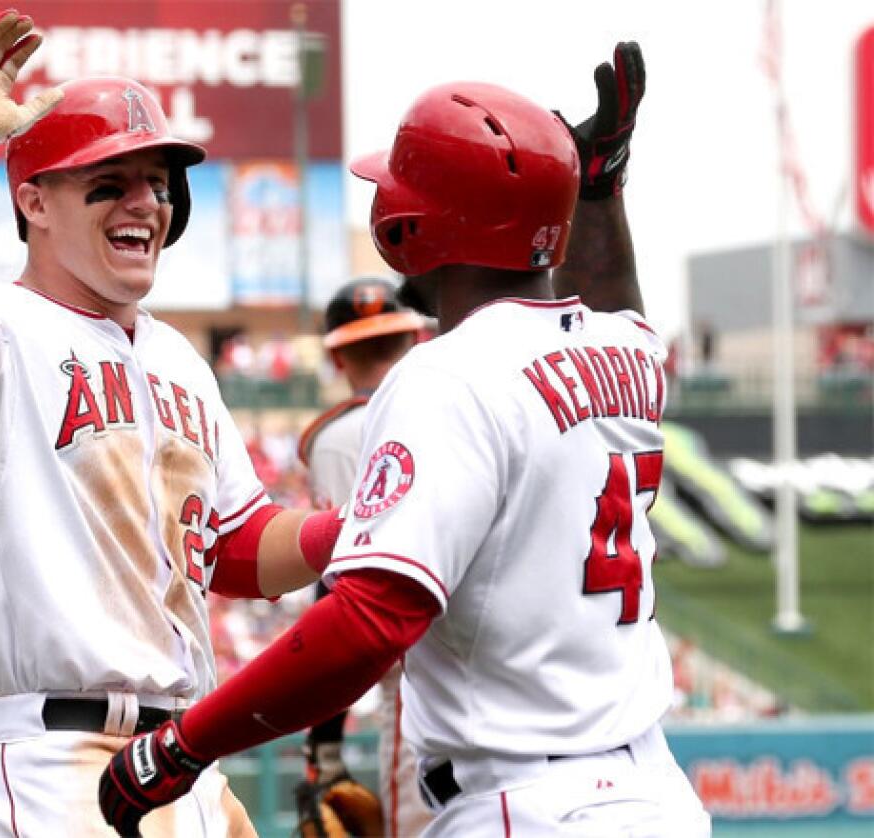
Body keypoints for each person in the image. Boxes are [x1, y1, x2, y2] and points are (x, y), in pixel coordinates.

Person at [99, 43, 712, 837]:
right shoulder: (626, 350)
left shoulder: (445, 376)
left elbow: (370, 621)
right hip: (656, 796)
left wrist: (183, 746)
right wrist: (602, 188)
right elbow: (615, 303)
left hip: (523, 803)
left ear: (412, 225)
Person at [0, 10, 341, 836]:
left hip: (186, 758)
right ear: (33, 201)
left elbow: (237, 548)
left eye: (158, 182)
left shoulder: (181, 358)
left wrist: (356, 530)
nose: (146, 201)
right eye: (108, 182)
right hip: (54, 761)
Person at [293, 277, 428, 837]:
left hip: (421, 685)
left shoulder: (337, 438)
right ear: (414, 340)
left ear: (336, 356)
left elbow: (347, 592)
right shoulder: (472, 406)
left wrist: (324, 735)